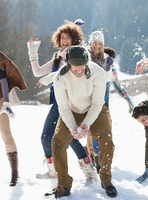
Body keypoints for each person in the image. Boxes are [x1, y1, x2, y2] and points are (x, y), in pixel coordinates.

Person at [27, 20, 97, 181]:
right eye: (62, 37)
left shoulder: (79, 54)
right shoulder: (57, 58)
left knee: (70, 137)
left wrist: (67, 54)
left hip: (73, 103)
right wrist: (33, 51)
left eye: (68, 37)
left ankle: (89, 170)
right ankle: (53, 170)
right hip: (58, 103)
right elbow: (38, 72)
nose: (64, 40)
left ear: (74, 39)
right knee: (48, 137)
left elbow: (80, 69)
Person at [46, 45, 118, 198]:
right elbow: (63, 108)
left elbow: (98, 103)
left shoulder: (97, 73)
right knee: (57, 142)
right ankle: (63, 183)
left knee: (107, 141)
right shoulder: (59, 78)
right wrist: (73, 127)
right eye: (75, 66)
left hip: (95, 110)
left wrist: (86, 125)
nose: (78, 69)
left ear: (87, 62)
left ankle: (106, 179)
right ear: (68, 63)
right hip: (71, 110)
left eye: (82, 66)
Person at [85, 30, 134, 173]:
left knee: (104, 131)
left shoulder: (108, 61)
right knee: (91, 132)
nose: (96, 45)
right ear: (90, 43)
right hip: (87, 102)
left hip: (103, 104)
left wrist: (128, 99)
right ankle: (94, 159)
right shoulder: (85, 58)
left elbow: (115, 83)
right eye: (94, 42)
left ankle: (99, 158)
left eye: (99, 43)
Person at [0, 50, 27, 186]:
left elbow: (3, 78)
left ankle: (14, 173)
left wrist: (6, 101)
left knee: (6, 134)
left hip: (0, 99)